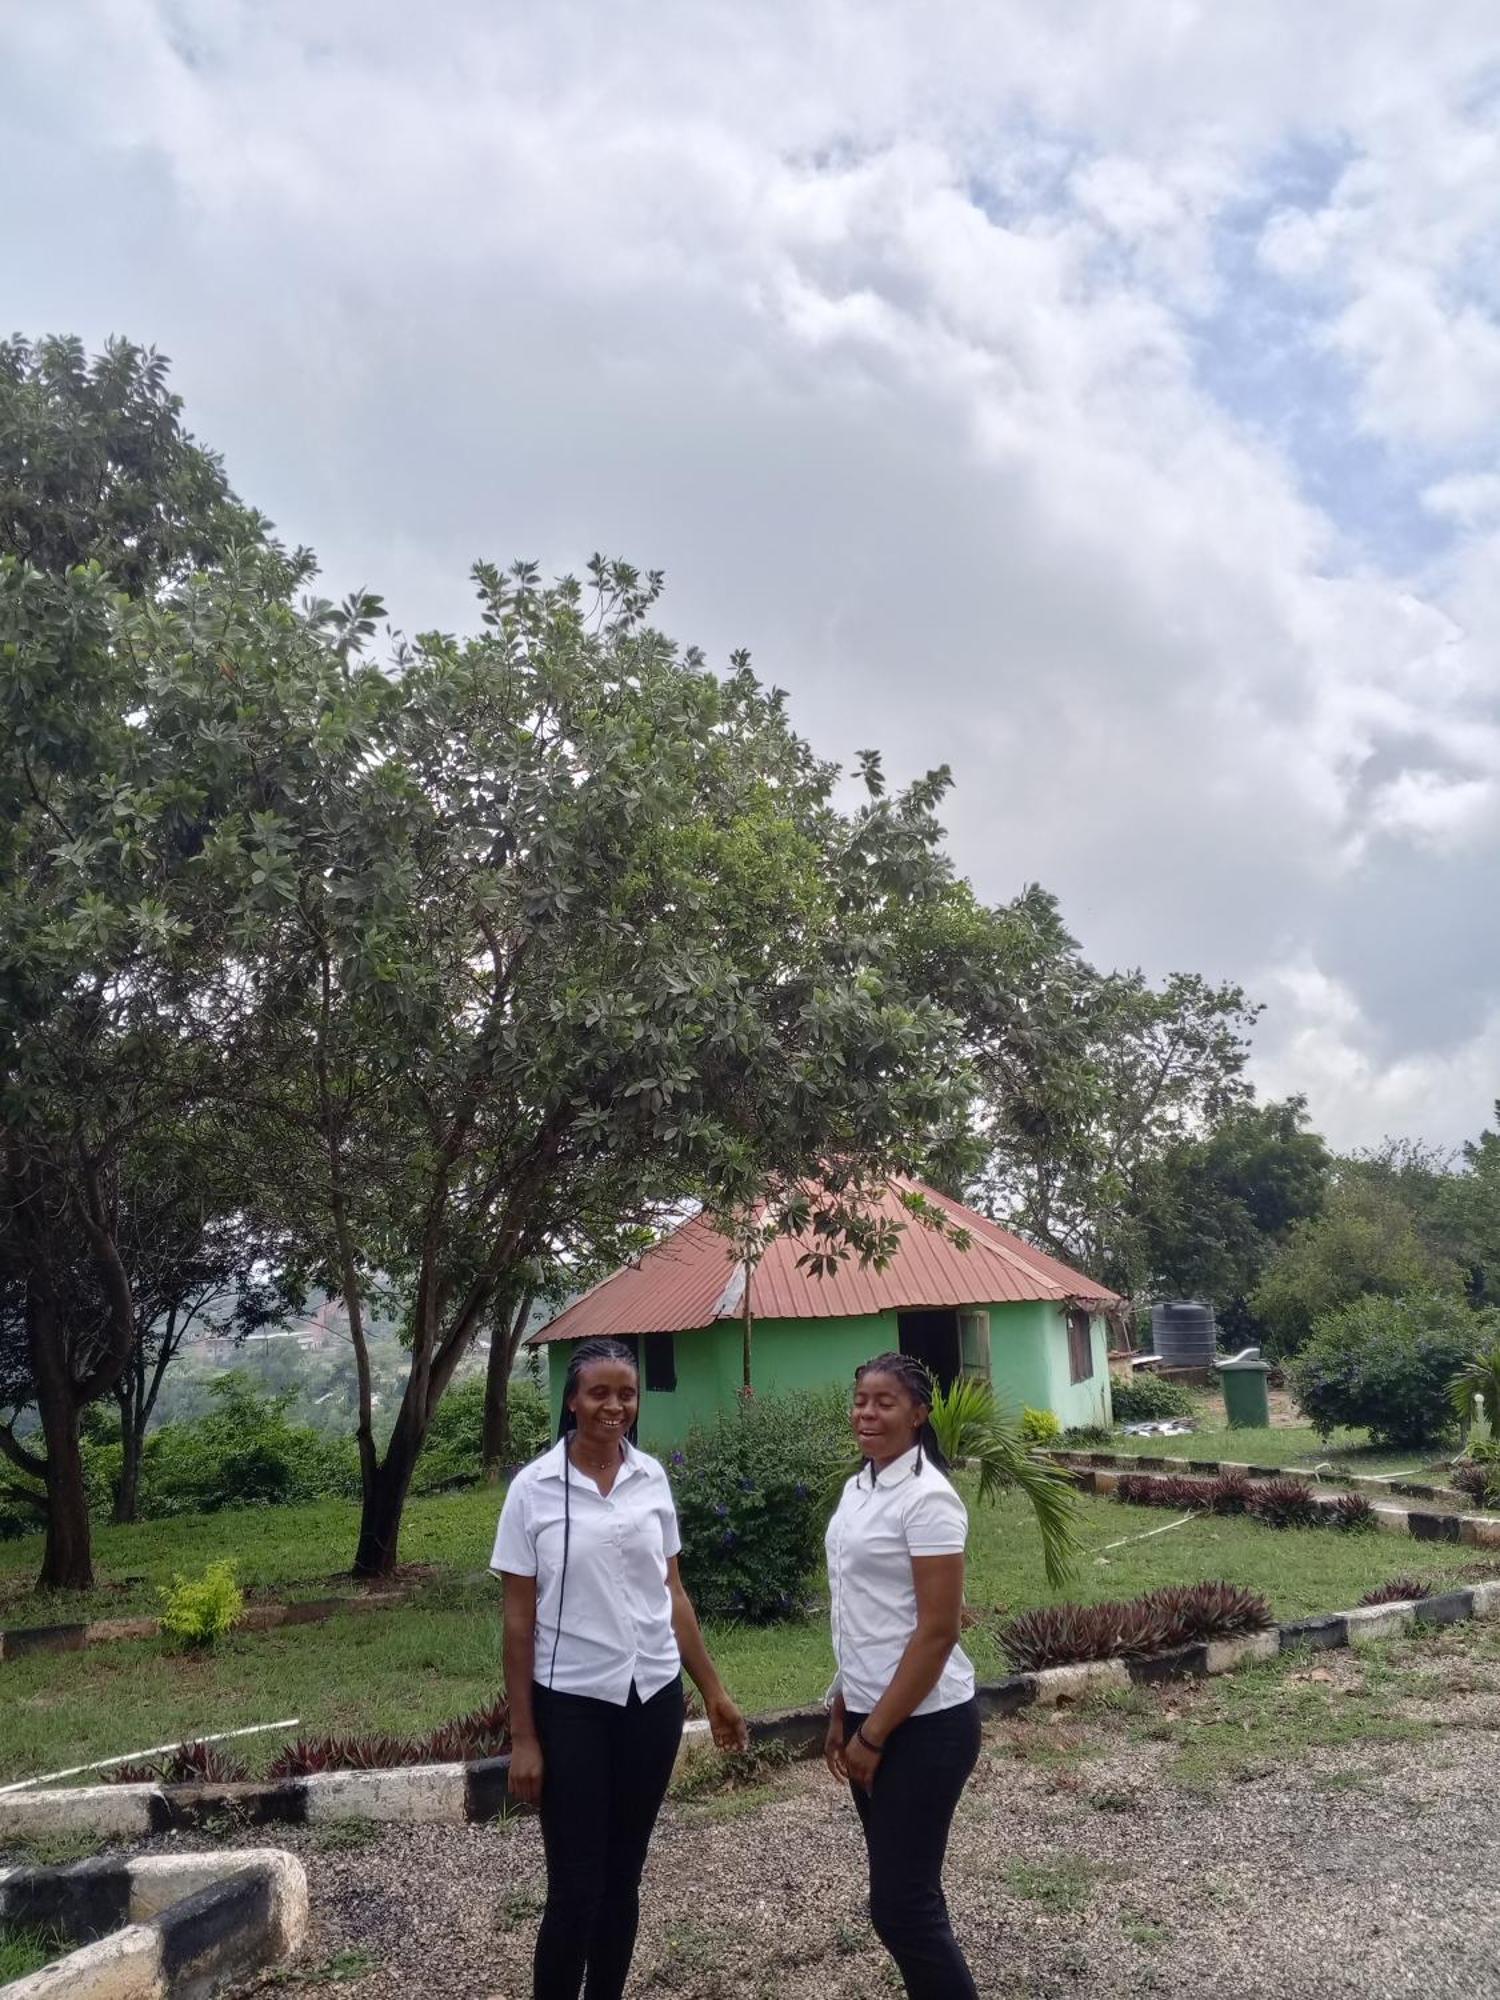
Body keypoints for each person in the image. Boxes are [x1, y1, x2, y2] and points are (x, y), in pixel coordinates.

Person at [494, 1336, 748, 2000]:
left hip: (653, 1699)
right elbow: (518, 1619)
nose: (615, 1406)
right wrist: (524, 1737)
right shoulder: (533, 1490)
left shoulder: (652, 1478)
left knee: (624, 1874)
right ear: (572, 1401)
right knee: (576, 1885)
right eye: (599, 1392)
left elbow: (674, 1594)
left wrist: (712, 1690)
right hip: (571, 1704)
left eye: (627, 1394)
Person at [823, 1351, 981, 2000]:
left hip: (926, 1725)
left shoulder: (928, 1499)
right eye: (860, 1399)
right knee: (907, 1898)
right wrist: (842, 1704)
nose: (867, 1412)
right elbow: (862, 1610)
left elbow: (938, 1631)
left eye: (885, 1402)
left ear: (918, 1415)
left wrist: (874, 1735)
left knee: (901, 1907)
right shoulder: (858, 1487)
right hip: (872, 1713)